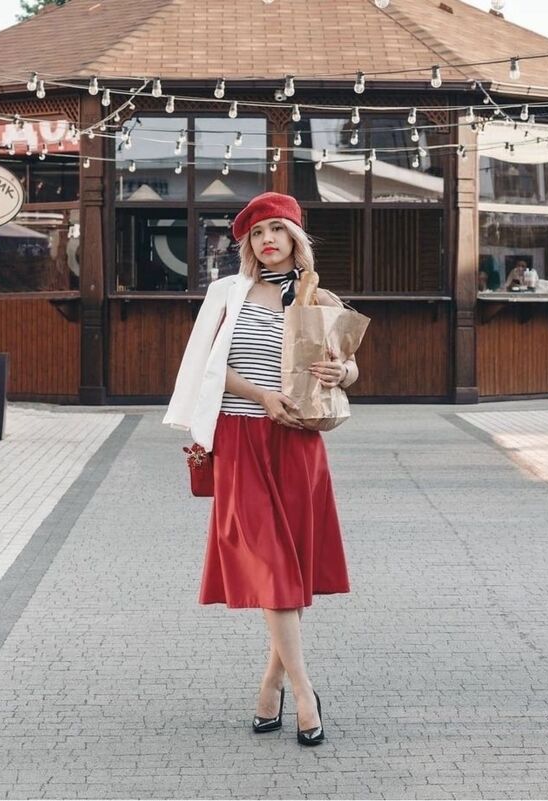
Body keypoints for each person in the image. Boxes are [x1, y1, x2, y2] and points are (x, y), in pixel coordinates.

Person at [163, 192, 359, 746]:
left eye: (276, 229)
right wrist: (261, 396)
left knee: (290, 567)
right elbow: (207, 368)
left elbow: (349, 366)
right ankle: (305, 694)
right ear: (247, 244)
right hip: (241, 437)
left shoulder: (319, 296)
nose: (267, 240)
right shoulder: (229, 293)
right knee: (270, 562)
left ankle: (270, 685)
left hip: (297, 442)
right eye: (256, 233)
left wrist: (341, 373)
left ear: (295, 237)